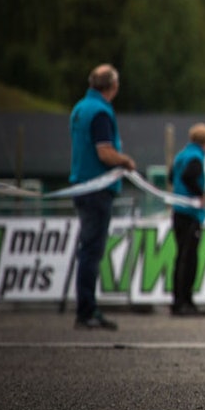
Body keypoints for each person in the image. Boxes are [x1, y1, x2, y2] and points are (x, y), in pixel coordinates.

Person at [69, 63, 136, 330]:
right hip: (96, 188)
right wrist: (125, 161)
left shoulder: (80, 108)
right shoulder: (100, 111)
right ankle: (86, 310)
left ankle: (86, 307)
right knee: (92, 250)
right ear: (113, 86)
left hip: (81, 184)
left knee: (88, 248)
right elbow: (105, 152)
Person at [169, 123, 205, 317]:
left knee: (180, 257)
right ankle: (185, 302)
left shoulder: (181, 155)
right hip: (190, 212)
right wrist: (200, 194)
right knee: (189, 258)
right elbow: (189, 176)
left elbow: (172, 177)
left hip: (177, 210)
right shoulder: (196, 157)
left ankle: (177, 300)